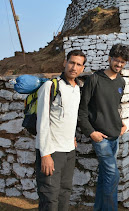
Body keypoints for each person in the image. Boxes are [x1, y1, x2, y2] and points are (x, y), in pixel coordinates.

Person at [78, 43, 129, 211]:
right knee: (112, 175)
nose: (119, 64)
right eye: (117, 60)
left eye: (123, 62)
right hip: (100, 137)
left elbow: (113, 106)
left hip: (115, 135)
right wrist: (91, 132)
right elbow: (82, 110)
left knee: (105, 178)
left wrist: (119, 121)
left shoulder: (121, 81)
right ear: (109, 59)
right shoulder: (94, 79)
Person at [35, 50, 86, 211]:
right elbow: (42, 122)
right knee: (50, 197)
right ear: (65, 62)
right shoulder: (50, 86)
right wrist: (45, 154)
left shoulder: (77, 88)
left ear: (82, 69)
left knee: (65, 193)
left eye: (79, 64)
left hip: (69, 150)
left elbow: (70, 117)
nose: (74, 67)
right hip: (52, 151)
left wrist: (72, 137)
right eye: (72, 62)